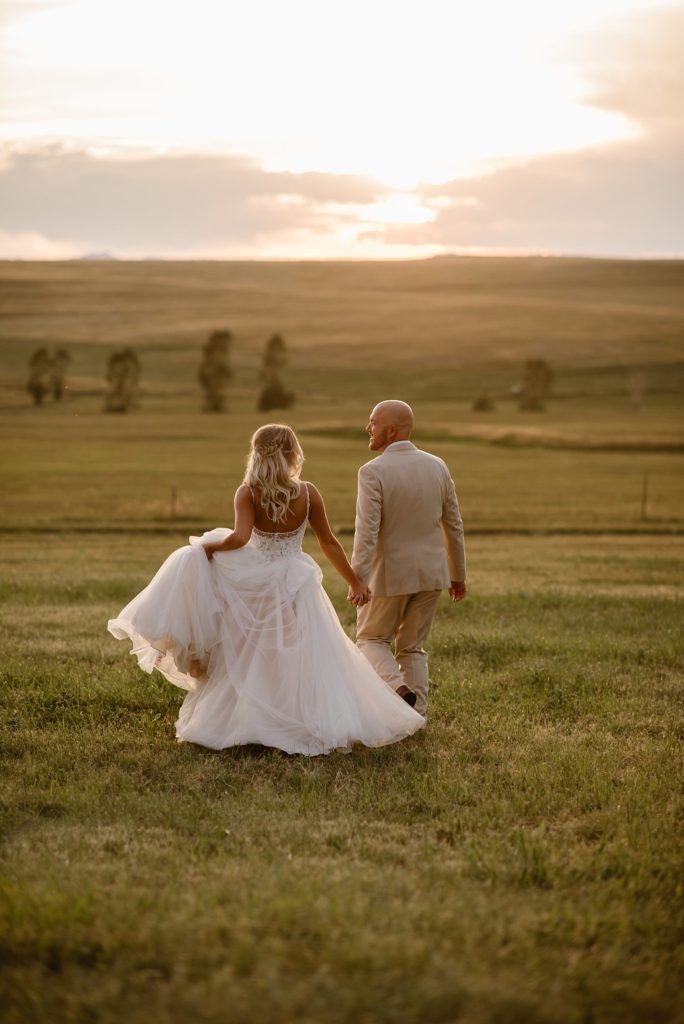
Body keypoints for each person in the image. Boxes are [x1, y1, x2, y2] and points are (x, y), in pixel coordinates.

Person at [108, 424, 424, 756]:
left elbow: (240, 539)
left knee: (252, 656)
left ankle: (252, 722)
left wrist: (208, 550)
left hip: (256, 583)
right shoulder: (307, 493)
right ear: (293, 453)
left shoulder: (247, 492)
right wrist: (354, 581)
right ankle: (298, 718)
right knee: (299, 655)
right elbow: (329, 542)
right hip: (295, 582)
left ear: (257, 454)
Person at [350, 401, 466, 716]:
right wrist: (457, 575)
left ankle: (398, 690)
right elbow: (453, 525)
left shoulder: (372, 471)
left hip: (390, 576)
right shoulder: (437, 465)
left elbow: (367, 533)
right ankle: (417, 716)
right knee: (412, 647)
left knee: (371, 640)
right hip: (432, 574)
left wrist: (357, 579)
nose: (367, 429)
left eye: (372, 422)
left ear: (391, 430)